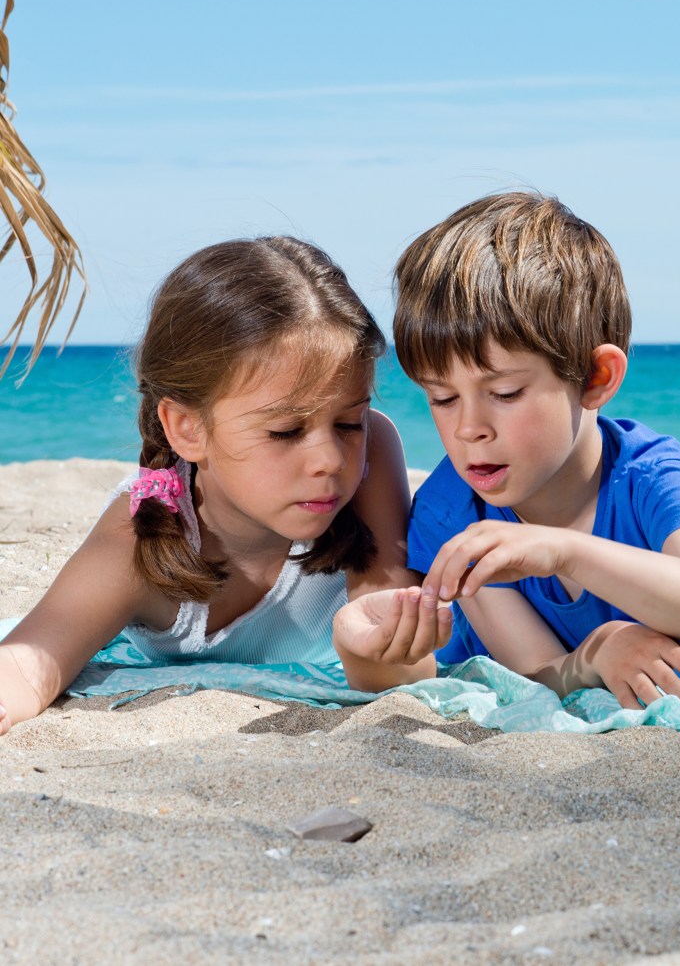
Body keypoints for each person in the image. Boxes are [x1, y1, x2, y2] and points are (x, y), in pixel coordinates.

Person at [0, 236, 451, 734]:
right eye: (286, 431)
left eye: (349, 422)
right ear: (188, 428)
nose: (330, 459)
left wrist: (369, 650)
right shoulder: (140, 536)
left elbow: (403, 677)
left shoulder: (373, 453)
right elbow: (28, 662)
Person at [388, 191, 680, 712]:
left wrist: (563, 551)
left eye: (506, 394)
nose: (470, 429)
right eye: (442, 398)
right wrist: (596, 654)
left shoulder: (648, 474)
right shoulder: (452, 512)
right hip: (625, 594)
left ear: (596, 378)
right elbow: (537, 668)